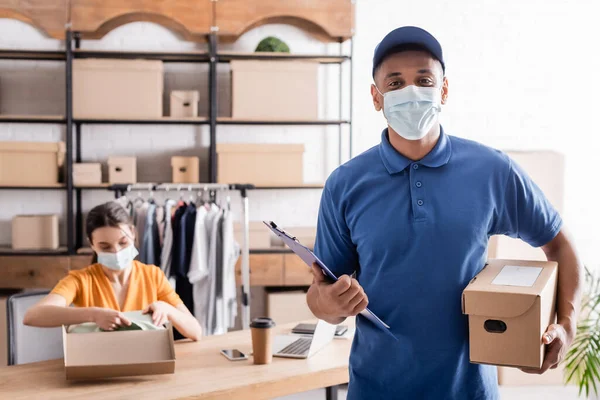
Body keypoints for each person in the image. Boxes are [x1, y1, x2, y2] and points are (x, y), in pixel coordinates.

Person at [307, 26, 582, 399]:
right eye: (395, 83)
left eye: (423, 80)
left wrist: (566, 324)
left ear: (444, 90)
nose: (411, 92)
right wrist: (331, 302)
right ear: (376, 97)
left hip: (470, 391)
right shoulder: (345, 184)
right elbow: (322, 297)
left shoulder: (491, 171)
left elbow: (561, 246)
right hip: (376, 389)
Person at [24, 201, 202, 341]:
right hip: (96, 370)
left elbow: (196, 332)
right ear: (92, 244)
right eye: (105, 246)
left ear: (132, 233)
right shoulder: (80, 280)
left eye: (123, 242)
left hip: (144, 368)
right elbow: (32, 316)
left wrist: (167, 309)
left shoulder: (153, 276)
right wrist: (92, 315)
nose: (116, 252)